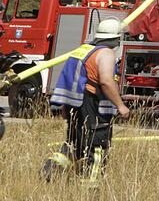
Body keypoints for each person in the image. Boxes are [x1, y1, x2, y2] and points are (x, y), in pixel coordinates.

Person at [44, 18, 131, 185]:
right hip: (92, 105)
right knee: (96, 146)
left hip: (74, 104)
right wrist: (120, 105)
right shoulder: (106, 53)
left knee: (74, 143)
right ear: (116, 38)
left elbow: (71, 78)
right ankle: (90, 186)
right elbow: (106, 81)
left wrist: (65, 106)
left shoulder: (82, 50)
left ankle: (52, 168)